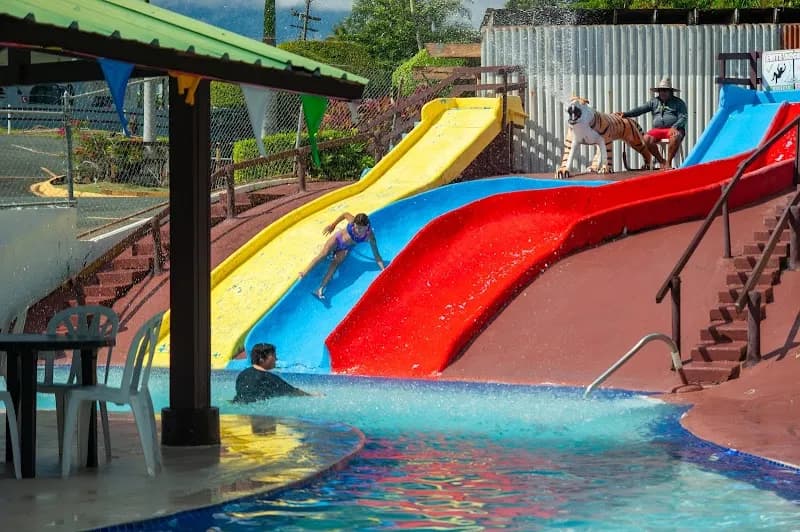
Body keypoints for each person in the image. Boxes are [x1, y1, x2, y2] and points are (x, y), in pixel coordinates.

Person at [299, 212, 385, 300]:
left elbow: (377, 255)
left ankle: (320, 289)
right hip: (338, 239)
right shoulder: (352, 220)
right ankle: (304, 272)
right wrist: (333, 225)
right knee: (324, 254)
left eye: (360, 228)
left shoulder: (370, 236)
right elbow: (345, 214)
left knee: (335, 264)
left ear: (367, 227)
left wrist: (383, 270)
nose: (357, 230)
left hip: (344, 248)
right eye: (356, 227)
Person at [616, 77, 688, 170]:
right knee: (646, 139)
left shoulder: (679, 102)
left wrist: (675, 127)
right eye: (660, 90)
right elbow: (640, 109)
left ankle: (668, 163)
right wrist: (626, 114)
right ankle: (661, 161)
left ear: (670, 92)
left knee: (675, 137)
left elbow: (683, 117)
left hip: (674, 129)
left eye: (665, 90)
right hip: (658, 130)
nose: (662, 92)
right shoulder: (654, 102)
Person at [233, 343, 311, 403]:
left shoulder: (242, 374)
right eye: (273, 356)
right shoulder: (269, 378)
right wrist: (312, 396)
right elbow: (293, 392)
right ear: (261, 359)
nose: (276, 359)